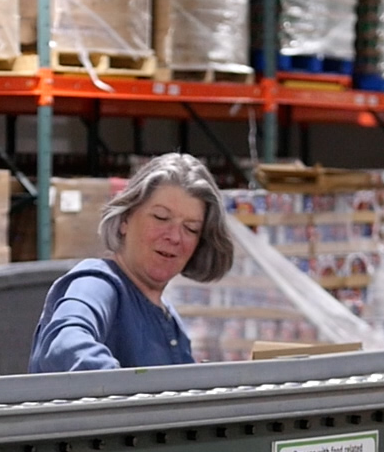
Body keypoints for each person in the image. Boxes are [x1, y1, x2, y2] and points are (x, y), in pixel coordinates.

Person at [29, 153, 235, 372]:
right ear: (125, 219)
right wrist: (125, 391)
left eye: (190, 228)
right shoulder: (97, 284)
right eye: (160, 218)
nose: (175, 237)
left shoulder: (170, 322)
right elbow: (65, 345)